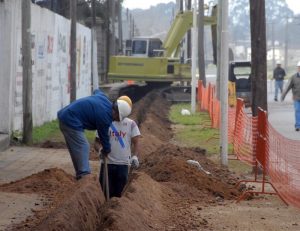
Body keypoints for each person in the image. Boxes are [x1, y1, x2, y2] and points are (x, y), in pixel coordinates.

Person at [57, 89, 131, 179]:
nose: (116, 120)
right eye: (118, 118)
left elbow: (97, 91)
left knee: (77, 149)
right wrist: (106, 150)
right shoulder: (105, 117)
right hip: (71, 120)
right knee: (83, 146)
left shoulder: (104, 99)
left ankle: (80, 174)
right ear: (117, 113)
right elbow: (104, 137)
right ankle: (84, 175)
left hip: (66, 116)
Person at [95, 96, 141, 198]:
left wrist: (135, 156)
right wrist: (100, 150)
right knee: (105, 193)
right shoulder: (105, 122)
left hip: (123, 165)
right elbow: (97, 142)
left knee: (119, 194)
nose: (115, 115)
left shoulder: (131, 124)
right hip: (107, 164)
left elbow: (136, 142)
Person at [281, 61, 300, 131]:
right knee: (297, 110)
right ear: (297, 68)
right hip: (296, 98)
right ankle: (298, 125)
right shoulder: (293, 77)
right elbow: (287, 87)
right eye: (299, 67)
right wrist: (283, 95)